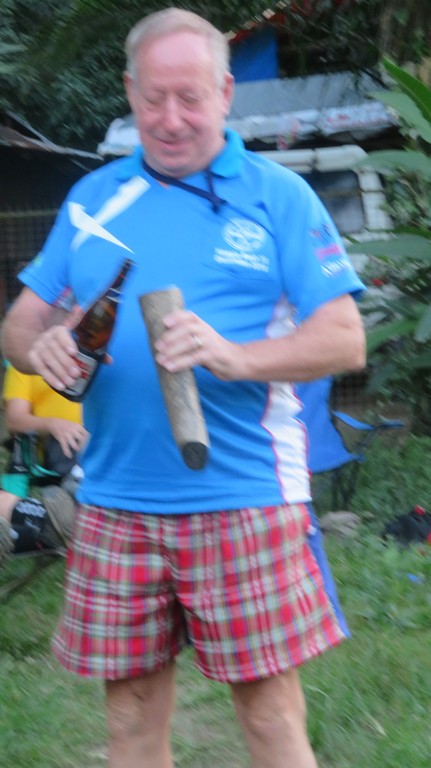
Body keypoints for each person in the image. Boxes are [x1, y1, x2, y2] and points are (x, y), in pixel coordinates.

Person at [1, 8, 366, 768]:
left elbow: (344, 339)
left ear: (224, 93)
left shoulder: (278, 198)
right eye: (153, 97)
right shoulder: (94, 198)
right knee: (130, 719)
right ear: (129, 92)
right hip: (114, 500)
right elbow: (20, 325)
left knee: (268, 716)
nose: (170, 119)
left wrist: (235, 357)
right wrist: (42, 348)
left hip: (245, 498)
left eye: (190, 98)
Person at [0, 363, 87, 565]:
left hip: (103, 446)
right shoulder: (25, 363)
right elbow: (15, 420)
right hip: (61, 449)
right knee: (66, 438)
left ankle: (42, 523)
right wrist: (53, 424)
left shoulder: (97, 354)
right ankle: (70, 505)